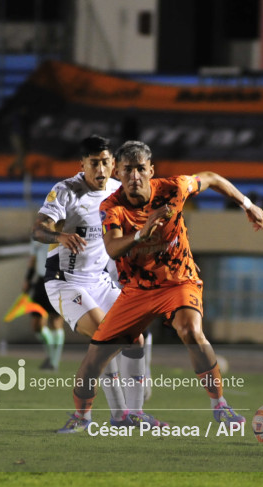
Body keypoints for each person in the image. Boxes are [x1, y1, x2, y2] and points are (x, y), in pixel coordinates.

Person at [62, 140, 263, 432]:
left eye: (140, 169)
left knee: (191, 330)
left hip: (178, 281)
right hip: (137, 290)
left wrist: (247, 204)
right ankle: (81, 418)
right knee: (94, 360)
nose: (134, 176)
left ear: (151, 170)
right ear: (117, 173)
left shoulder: (174, 189)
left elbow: (211, 178)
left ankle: (220, 405)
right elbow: (113, 248)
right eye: (128, 169)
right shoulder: (112, 207)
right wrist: (141, 234)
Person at [31, 135, 163, 432]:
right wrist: (59, 236)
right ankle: (88, 417)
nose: (100, 169)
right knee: (109, 337)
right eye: (94, 164)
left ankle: (131, 416)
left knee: (135, 337)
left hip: (99, 281)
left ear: (114, 164)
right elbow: (38, 229)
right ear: (83, 165)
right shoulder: (66, 191)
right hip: (66, 282)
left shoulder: (118, 190)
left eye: (105, 162)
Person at [22, 240, 65, 370]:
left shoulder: (64, 230)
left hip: (58, 280)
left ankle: (54, 362)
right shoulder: (37, 233)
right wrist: (28, 279)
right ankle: (51, 357)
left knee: (56, 322)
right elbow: (33, 258)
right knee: (36, 325)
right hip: (41, 281)